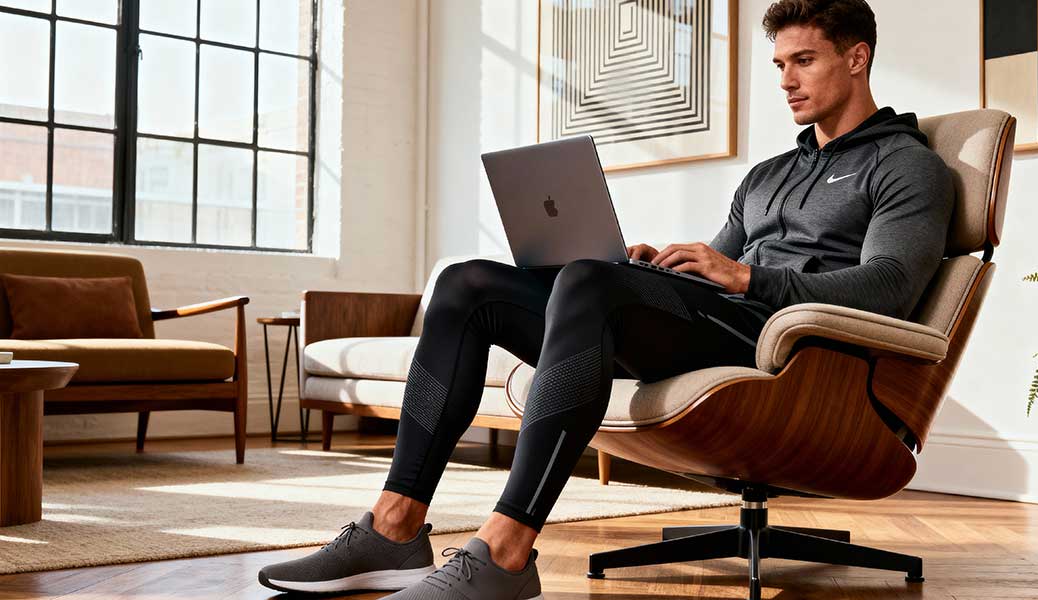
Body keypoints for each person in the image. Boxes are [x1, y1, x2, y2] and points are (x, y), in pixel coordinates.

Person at [258, 0, 954, 598]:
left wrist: (747, 279)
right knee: (469, 284)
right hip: (724, 321)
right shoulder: (769, 175)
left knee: (590, 284)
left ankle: (504, 550)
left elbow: (890, 288)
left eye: (803, 60)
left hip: (796, 356)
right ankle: (394, 524)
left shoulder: (906, 165)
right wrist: (663, 268)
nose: (787, 81)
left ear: (857, 57)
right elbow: (721, 262)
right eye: (779, 65)